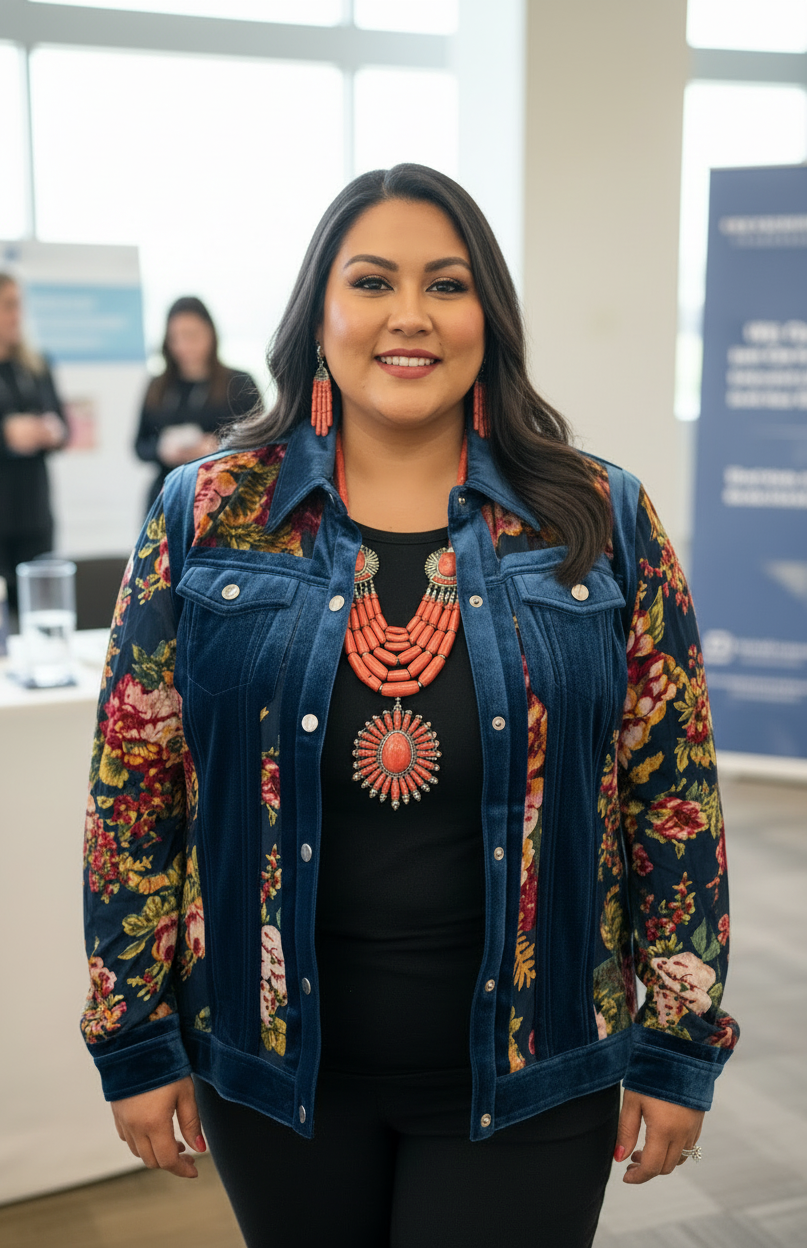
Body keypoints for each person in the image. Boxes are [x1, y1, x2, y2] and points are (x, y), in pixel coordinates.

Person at [81, 165, 738, 1248]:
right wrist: (133, 1034)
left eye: (447, 284)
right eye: (373, 281)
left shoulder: (597, 516)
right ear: (318, 314)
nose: (409, 316)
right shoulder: (208, 513)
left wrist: (678, 1043)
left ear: (489, 317)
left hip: (534, 1075)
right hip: (275, 1073)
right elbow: (132, 794)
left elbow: (674, 798)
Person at [0, 271, 67, 601]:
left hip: (34, 513)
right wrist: (4, 436)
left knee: (41, 606)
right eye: (7, 305)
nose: (17, 315)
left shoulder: (37, 365)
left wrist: (50, 433)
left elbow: (64, 428)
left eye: (19, 305)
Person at [134, 295, 258, 510]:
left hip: (224, 499)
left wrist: (218, 447)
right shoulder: (158, 386)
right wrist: (162, 449)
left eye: (191, 335)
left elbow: (262, 443)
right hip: (168, 496)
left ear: (210, 334)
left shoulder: (239, 383)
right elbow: (139, 445)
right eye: (175, 337)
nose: (183, 345)